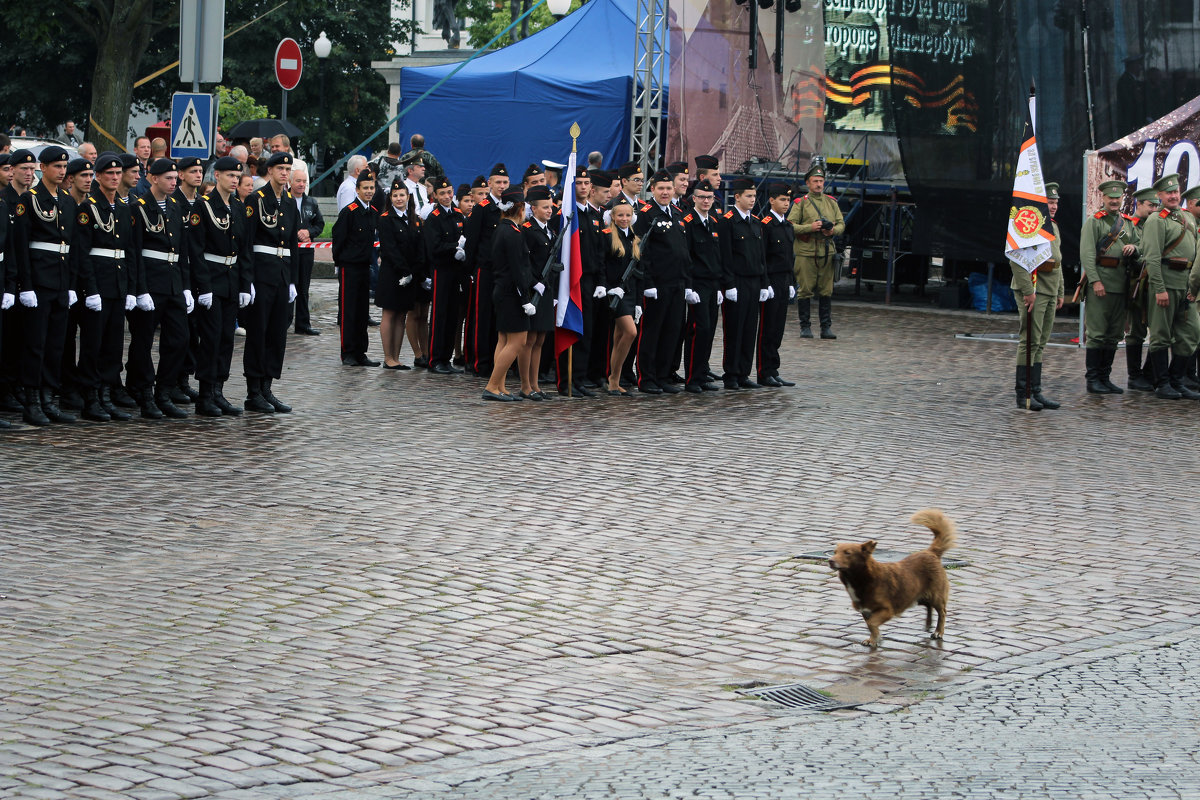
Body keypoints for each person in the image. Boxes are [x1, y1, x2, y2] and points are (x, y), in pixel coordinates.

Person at [11, 146, 77, 425]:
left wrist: (72, 284)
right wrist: (25, 284)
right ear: (43, 168)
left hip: (61, 280)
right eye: (56, 167)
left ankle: (49, 398)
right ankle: (32, 399)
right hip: (39, 280)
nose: (62, 172)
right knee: (35, 344)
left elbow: (72, 247)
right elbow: (21, 246)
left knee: (55, 345)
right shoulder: (30, 199)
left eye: (64, 167)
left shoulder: (67, 200)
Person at [127, 158, 192, 419]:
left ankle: (164, 391)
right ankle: (144, 392)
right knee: (143, 341)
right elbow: (136, 252)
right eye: (168, 178)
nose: (173, 182)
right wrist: (140, 289)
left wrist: (186, 287)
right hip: (151, 283)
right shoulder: (139, 207)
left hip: (174, 281)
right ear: (153, 178)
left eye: (175, 178)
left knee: (179, 339)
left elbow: (182, 250)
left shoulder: (177, 206)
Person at [187, 155, 248, 417]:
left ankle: (219, 391)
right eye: (230, 176)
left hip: (231, 279)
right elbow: (197, 250)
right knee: (210, 339)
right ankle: (205, 394)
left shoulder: (236, 206)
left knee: (226, 339)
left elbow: (242, 249)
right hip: (212, 279)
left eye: (238, 176)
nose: (234, 180)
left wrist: (245, 285)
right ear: (218, 177)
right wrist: (204, 287)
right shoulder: (204, 206)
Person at [241, 151, 300, 413]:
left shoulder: (289, 201)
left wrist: (293, 281)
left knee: (277, 333)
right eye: (280, 169)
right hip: (262, 273)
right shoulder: (256, 199)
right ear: (270, 171)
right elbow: (247, 242)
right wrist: (248, 279)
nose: (285, 173)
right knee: (259, 332)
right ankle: (253, 392)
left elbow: (293, 246)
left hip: (282, 273)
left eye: (288, 169)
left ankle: (267, 387)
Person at [1142, 173, 1200, 399]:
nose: (1174, 196)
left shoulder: (1188, 218)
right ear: (1160, 196)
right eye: (1169, 193)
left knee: (1190, 333)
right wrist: (1159, 289)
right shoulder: (1157, 220)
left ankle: (1177, 380)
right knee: (1160, 335)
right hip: (1166, 282)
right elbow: (1152, 258)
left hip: (1186, 284)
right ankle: (1162, 383)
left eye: (1176, 192)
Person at [633, 169, 691, 395]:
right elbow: (641, 251)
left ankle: (664, 375)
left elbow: (683, 251)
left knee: (672, 330)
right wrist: (647, 284)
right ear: (652, 189)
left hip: (677, 283)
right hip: (657, 284)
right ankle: (646, 378)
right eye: (661, 188)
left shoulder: (677, 213)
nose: (665, 192)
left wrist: (687, 282)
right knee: (652, 331)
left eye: (668, 188)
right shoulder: (646, 214)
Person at [1009, 181, 1064, 410]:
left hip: (1049, 288)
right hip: (1034, 288)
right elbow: (1017, 258)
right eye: (1049, 203)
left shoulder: (1052, 226)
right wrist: (1028, 291)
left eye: (1055, 203)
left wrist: (1060, 290)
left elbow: (1058, 260)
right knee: (1030, 340)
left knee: (1040, 342)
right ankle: (1024, 393)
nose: (1052, 207)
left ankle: (1036, 390)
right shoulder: (1028, 225)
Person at [1080, 180, 1136, 394]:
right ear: (1103, 198)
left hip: (1122, 284)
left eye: (1118, 197)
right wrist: (1095, 281)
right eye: (1110, 197)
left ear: (1122, 198)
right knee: (1097, 333)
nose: (1114, 201)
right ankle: (1093, 379)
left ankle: (1105, 377)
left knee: (1114, 333)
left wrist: (1135, 247)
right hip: (1101, 284)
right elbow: (1087, 254)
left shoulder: (1127, 223)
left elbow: (1141, 245)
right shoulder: (1095, 222)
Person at [482, 187, 536, 401]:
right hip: (511, 293)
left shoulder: (501, 229)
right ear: (520, 208)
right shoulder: (512, 233)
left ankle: (500, 386)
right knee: (518, 341)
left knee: (504, 340)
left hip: (502, 290)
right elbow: (517, 269)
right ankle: (492, 385)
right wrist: (525, 299)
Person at [788, 160, 844, 338]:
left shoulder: (831, 202)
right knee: (805, 290)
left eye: (821, 181)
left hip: (827, 252)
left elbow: (842, 224)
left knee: (826, 290)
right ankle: (805, 326)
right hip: (806, 252)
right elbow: (790, 226)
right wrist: (810, 228)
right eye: (815, 181)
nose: (819, 184)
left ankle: (825, 327)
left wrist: (832, 230)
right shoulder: (801, 203)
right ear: (808, 183)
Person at [721, 177, 766, 390]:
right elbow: (726, 256)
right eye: (748, 196)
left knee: (749, 329)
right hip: (737, 281)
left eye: (754, 196)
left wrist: (764, 284)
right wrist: (729, 284)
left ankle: (744, 373)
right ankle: (731, 373)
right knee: (735, 330)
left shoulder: (756, 222)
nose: (752, 200)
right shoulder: (728, 221)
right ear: (737, 197)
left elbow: (761, 256)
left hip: (754, 281)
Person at [465, 163, 509, 377]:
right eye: (498, 182)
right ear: (490, 184)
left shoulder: (510, 207)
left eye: (505, 182)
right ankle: (480, 362)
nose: (501, 186)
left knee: (500, 318)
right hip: (485, 269)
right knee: (482, 317)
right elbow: (472, 242)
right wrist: (472, 270)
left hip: (504, 271)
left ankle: (497, 361)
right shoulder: (482, 208)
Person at [681, 179, 725, 392]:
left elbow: (717, 257)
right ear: (694, 199)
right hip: (697, 284)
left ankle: (701, 374)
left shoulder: (713, 222)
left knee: (708, 332)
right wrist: (688, 287)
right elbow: (687, 256)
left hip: (712, 283)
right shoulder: (688, 222)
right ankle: (691, 378)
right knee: (699, 329)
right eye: (702, 197)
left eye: (709, 198)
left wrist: (719, 286)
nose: (706, 201)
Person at [333, 169, 379, 367]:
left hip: (364, 267)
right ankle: (348, 352)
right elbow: (339, 240)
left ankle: (361, 351)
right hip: (349, 267)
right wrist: (341, 263)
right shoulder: (349, 212)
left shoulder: (373, 213)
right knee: (349, 310)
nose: (369, 191)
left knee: (362, 311)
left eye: (371, 188)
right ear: (357, 190)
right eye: (365, 188)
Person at [377, 179, 424, 369]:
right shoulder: (385, 218)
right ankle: (388, 357)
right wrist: (404, 270)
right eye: (395, 195)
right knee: (389, 313)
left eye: (402, 195)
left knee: (401, 315)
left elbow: (418, 246)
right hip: (392, 273)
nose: (399, 198)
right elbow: (390, 248)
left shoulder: (414, 218)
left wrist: (416, 271)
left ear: (408, 197)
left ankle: (396, 357)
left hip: (410, 273)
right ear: (390, 198)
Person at [423, 174, 468, 374]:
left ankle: (447, 357)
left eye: (449, 192)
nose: (447, 196)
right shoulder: (434, 218)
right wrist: (453, 248)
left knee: (452, 315)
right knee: (440, 314)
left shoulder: (458, 215)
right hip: (441, 269)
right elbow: (433, 247)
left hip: (456, 270)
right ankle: (435, 359)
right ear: (435, 196)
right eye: (442, 193)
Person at [519, 185, 557, 399]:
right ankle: (525, 385)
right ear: (533, 208)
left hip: (546, 290)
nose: (549, 211)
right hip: (534, 290)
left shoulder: (548, 230)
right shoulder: (528, 230)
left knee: (540, 339)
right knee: (529, 339)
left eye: (550, 207)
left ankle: (535, 384)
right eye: (544, 207)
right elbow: (525, 262)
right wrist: (534, 283)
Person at [758, 182, 796, 387]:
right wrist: (765, 283)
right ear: (771, 200)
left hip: (784, 279)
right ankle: (763, 371)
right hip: (771, 280)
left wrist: (791, 282)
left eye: (788, 200)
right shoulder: (766, 225)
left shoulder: (787, 226)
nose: (786, 204)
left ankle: (774, 368)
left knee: (778, 328)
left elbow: (790, 257)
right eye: (782, 200)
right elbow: (762, 256)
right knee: (767, 327)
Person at [603, 197, 639, 396]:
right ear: (613, 217)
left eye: (628, 215)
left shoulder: (634, 238)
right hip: (614, 293)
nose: (624, 218)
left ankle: (614, 380)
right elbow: (603, 265)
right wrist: (608, 287)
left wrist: (639, 300)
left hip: (630, 293)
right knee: (630, 333)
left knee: (620, 337)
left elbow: (639, 272)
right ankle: (613, 378)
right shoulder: (608, 236)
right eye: (620, 215)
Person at [1124, 186, 1159, 391]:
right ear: (1139, 204)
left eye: (1156, 205)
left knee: (1159, 332)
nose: (1154, 209)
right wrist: (1137, 251)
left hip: (1153, 284)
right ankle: (1134, 376)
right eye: (1150, 205)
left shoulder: (1156, 225)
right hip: (1136, 284)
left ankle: (1148, 374)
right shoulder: (1129, 226)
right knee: (1137, 330)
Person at [287, 162, 322, 336]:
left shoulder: (311, 202)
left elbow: (319, 224)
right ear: (291, 182)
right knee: (288, 286)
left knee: (304, 289)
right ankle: (284, 322)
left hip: (306, 252)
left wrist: (309, 232)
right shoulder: (285, 200)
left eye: (304, 181)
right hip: (289, 252)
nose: (301, 184)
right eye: (298, 181)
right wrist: (296, 233)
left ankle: (303, 323)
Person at [370, 143, 404, 209]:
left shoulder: (378, 161)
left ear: (388, 151)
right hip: (394, 198)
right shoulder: (402, 167)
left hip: (378, 196)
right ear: (400, 153)